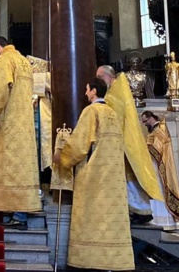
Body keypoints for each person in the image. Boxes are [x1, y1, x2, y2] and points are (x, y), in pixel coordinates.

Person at [54, 79, 134, 271]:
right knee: (109, 217)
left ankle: (90, 260)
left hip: (95, 175)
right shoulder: (113, 113)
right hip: (112, 175)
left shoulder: (92, 111)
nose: (85, 93)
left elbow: (80, 144)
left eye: (87, 89)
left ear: (94, 91)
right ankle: (113, 260)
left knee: (91, 215)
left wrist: (62, 156)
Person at [0, 37, 40, 228]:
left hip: (9, 121)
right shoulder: (24, 60)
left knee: (8, 167)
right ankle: (14, 210)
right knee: (20, 167)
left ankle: (18, 215)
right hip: (24, 121)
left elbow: (0, 88)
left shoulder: (5, 60)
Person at [97, 65, 163, 224]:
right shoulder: (116, 88)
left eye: (99, 77)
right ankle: (134, 211)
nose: (98, 81)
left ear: (107, 75)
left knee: (131, 175)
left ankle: (142, 211)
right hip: (120, 140)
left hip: (123, 140)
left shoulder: (116, 90)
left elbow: (118, 114)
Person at [141, 111, 179, 230]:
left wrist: (143, 146)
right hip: (153, 165)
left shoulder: (161, 129)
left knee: (159, 191)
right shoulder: (155, 130)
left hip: (160, 167)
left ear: (150, 118)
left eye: (145, 121)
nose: (144, 124)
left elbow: (157, 147)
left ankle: (163, 221)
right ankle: (156, 219)